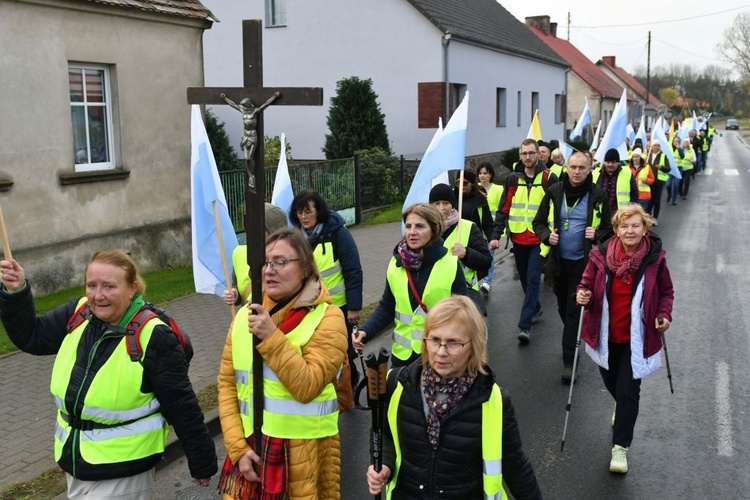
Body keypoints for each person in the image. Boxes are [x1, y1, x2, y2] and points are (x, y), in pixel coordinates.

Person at [0, 251, 217, 498]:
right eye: (92, 285)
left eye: (109, 286)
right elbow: (32, 337)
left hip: (125, 465)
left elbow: (181, 404)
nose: (98, 295)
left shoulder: (154, 335)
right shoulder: (79, 312)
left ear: (132, 288)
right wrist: (16, 292)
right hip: (77, 459)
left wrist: (201, 461)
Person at [365, 295, 543, 499]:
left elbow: (516, 466)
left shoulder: (492, 400)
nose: (441, 352)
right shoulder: (399, 384)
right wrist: (384, 464)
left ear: (473, 346)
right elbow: (384, 433)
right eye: (435, 340)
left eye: (453, 343)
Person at [217, 228, 348, 499]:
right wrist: (237, 449)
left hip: (304, 454)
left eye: (281, 262)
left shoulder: (329, 318)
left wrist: (270, 337)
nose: (269, 270)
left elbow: (307, 385)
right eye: (265, 262)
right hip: (250, 452)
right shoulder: (244, 316)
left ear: (306, 269)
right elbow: (227, 386)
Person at [576, 203, 674, 474]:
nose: (630, 231)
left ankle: (620, 448)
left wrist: (664, 315)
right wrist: (582, 293)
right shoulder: (599, 255)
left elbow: (667, 292)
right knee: (614, 386)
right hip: (605, 336)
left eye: (636, 225)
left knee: (629, 392)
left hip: (637, 340)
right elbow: (585, 283)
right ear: (617, 229)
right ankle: (620, 407)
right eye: (624, 225)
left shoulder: (654, 259)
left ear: (645, 229)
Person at [352, 203, 467, 367]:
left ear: (434, 229)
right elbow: (387, 306)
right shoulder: (395, 263)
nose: (412, 232)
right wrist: (366, 330)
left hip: (438, 358)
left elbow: (464, 317)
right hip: (401, 358)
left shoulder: (451, 265)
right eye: (408, 226)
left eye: (420, 226)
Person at [533, 151, 612, 382]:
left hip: (583, 263)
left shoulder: (597, 195)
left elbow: (608, 228)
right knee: (562, 307)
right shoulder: (554, 192)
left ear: (590, 170)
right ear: (567, 168)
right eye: (573, 167)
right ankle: (574, 332)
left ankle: (570, 361)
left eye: (582, 168)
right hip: (557, 262)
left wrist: (597, 233)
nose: (577, 172)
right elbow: (537, 222)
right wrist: (547, 236)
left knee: (572, 308)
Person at [290, 189, 364, 388]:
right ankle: (332, 382)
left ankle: (348, 381)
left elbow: (353, 269)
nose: (303, 217)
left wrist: (354, 307)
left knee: (342, 350)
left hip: (338, 306)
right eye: (299, 212)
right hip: (311, 308)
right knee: (322, 349)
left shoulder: (338, 232)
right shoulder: (296, 239)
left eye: (308, 211)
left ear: (318, 211)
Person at [489, 138, 558, 344]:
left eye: (531, 153)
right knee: (525, 279)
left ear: (538, 154)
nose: (528, 157)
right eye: (524, 153)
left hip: (540, 239)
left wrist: (554, 234)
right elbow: (504, 209)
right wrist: (495, 236)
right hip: (519, 238)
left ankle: (524, 326)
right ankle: (535, 307)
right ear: (520, 156)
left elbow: (557, 208)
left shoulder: (549, 178)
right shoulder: (512, 179)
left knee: (533, 279)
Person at [429, 183, 491, 312]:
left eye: (446, 203)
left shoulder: (468, 228)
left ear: (452, 205)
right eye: (436, 203)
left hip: (463, 295)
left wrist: (466, 253)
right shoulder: (424, 230)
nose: (442, 208)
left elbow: (486, 261)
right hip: (432, 297)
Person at [223, 202, 289, 306]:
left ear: (275, 231)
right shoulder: (239, 253)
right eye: (251, 226)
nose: (253, 231)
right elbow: (237, 285)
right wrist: (235, 295)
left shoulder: (289, 258)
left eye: (260, 228)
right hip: (248, 319)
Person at [477, 162, 503, 293]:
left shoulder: (498, 189)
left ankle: (487, 281)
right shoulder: (475, 189)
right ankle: (476, 280)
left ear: (490, 174)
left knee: (490, 255)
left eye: (485, 173)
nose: (482, 176)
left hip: (491, 229)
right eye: (480, 173)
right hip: (477, 229)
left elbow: (502, 210)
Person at [592, 148, 637, 214]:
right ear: (604, 162)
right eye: (608, 162)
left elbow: (634, 193)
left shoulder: (627, 173)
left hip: (620, 214)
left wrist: (630, 209)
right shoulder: (595, 173)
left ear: (618, 163)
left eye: (613, 162)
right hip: (599, 214)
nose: (610, 164)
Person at [454, 167, 493, 240]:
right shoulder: (452, 198)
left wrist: (492, 239)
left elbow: (487, 223)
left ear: (472, 183)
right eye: (458, 182)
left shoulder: (480, 199)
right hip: (456, 239)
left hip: (476, 240)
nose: (461, 186)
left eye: (464, 183)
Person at [645, 141, 671, 226]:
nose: (656, 147)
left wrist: (661, 167)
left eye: (657, 145)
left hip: (659, 181)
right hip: (649, 181)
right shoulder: (648, 155)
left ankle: (655, 218)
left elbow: (668, 168)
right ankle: (647, 216)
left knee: (657, 200)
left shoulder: (663, 156)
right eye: (654, 145)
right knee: (650, 199)